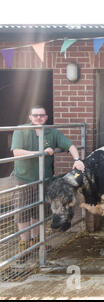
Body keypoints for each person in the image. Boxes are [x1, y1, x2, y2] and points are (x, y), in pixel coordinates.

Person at [10, 105, 85, 253]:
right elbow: (16, 152)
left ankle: (37, 243)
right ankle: (25, 245)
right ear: (30, 117)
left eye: (42, 115)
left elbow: (70, 145)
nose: (39, 118)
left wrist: (77, 159)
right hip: (23, 178)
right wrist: (41, 152)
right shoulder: (22, 130)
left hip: (44, 179)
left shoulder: (52, 131)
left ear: (46, 117)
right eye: (35, 115)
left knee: (39, 211)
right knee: (23, 212)